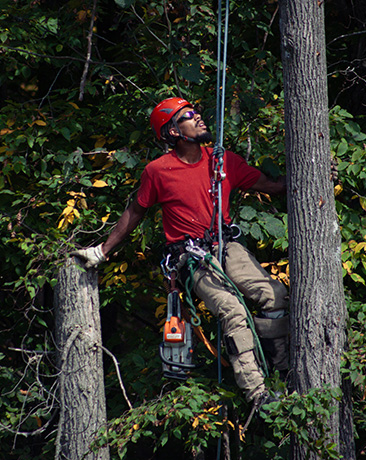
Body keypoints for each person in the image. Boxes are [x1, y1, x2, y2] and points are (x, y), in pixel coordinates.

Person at [72, 97, 289, 405]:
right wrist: (102, 251)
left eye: (196, 112)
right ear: (172, 131)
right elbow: (134, 213)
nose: (198, 118)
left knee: (276, 296)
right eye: (188, 115)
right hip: (192, 257)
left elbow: (271, 186)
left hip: (225, 245)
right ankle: (257, 392)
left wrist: (311, 178)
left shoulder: (222, 161)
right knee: (232, 310)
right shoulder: (158, 171)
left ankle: (283, 370)